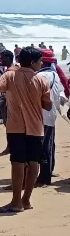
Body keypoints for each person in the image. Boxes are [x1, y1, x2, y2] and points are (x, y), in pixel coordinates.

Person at [0, 46, 52, 213]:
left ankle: (16, 202)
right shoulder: (41, 80)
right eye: (40, 61)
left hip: (16, 126)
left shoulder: (10, 75)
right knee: (33, 163)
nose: (41, 64)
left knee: (17, 163)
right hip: (35, 127)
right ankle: (26, 200)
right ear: (32, 62)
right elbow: (48, 105)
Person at [36, 48, 66, 187]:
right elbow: (60, 95)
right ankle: (48, 171)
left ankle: (44, 178)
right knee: (49, 144)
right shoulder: (54, 75)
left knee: (43, 147)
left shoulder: (40, 77)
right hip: (51, 115)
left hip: (41, 116)